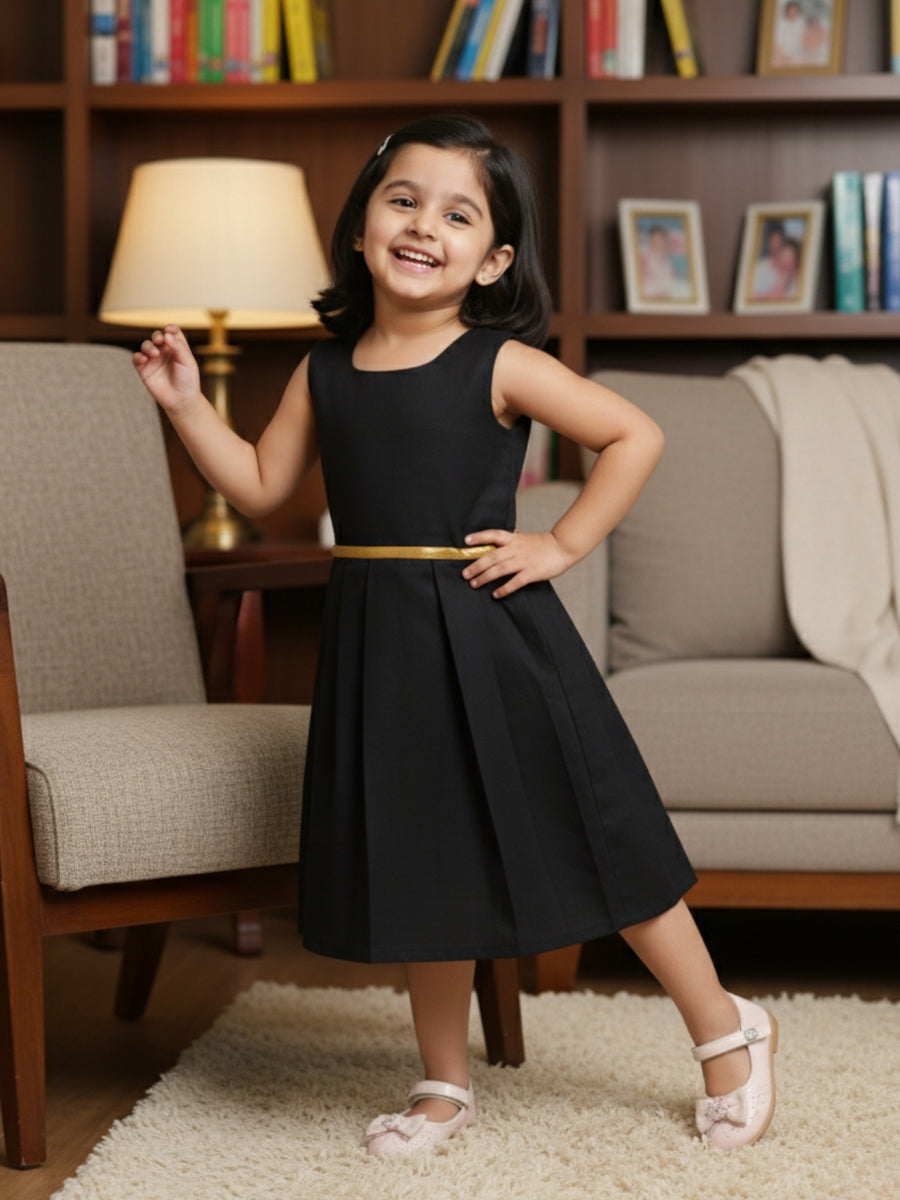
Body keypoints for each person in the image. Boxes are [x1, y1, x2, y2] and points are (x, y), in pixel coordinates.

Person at [133, 114, 778, 1158]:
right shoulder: (326, 371)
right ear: (359, 228)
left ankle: (726, 1031)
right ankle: (441, 1081)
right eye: (404, 199)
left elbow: (632, 434)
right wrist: (180, 404)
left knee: (606, 839)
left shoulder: (498, 361)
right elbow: (257, 482)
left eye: (458, 212)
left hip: (493, 633)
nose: (424, 223)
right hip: (380, 646)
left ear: (494, 260)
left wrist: (561, 543)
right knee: (422, 856)